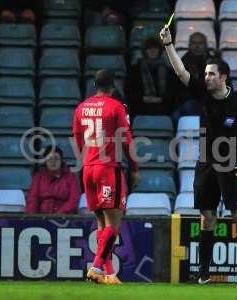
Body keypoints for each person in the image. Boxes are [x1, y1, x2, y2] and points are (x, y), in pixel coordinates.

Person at [160, 27, 237, 285]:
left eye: (211, 74)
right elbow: (181, 72)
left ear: (223, 77)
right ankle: (203, 272)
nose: (206, 77)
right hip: (206, 162)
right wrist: (168, 45)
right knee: (207, 216)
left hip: (231, 164)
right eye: (206, 74)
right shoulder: (203, 92)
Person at [72, 69, 140, 285]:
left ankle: (109, 274)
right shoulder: (116, 107)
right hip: (108, 168)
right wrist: (135, 168)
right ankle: (96, 267)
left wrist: (86, 159)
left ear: (95, 85)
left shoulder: (82, 107)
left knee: (102, 222)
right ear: (113, 86)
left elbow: (76, 137)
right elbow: (127, 140)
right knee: (114, 223)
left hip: (88, 168)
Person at [126, 37, 173, 116]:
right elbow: (129, 91)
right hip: (141, 105)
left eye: (155, 48)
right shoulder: (135, 70)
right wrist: (143, 98)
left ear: (160, 50)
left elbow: (173, 92)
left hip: (163, 105)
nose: (152, 51)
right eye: (149, 48)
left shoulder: (168, 70)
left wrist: (161, 99)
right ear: (144, 51)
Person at [26, 145, 81, 214]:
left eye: (56, 158)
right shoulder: (38, 177)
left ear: (61, 161)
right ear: (45, 162)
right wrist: (32, 217)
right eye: (50, 159)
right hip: (42, 217)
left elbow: (74, 200)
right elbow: (32, 199)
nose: (53, 161)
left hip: (65, 218)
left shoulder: (71, 177)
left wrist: (59, 213)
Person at [171, 32, 210, 124]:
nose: (197, 46)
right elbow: (176, 89)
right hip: (186, 102)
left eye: (200, 43)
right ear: (189, 45)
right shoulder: (180, 65)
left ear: (206, 45)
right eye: (194, 43)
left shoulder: (214, 63)